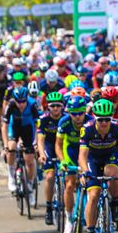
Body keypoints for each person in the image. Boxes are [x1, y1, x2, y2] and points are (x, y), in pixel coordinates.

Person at [78, 99, 118, 233]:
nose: (105, 122)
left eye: (108, 118)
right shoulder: (87, 129)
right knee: (93, 197)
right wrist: (85, 171)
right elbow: (82, 155)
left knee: (113, 173)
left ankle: (114, 202)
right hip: (92, 161)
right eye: (101, 119)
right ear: (95, 118)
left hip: (110, 158)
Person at [57, 96, 94, 233]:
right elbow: (58, 145)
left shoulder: (91, 121)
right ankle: (69, 219)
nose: (77, 116)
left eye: (80, 112)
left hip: (88, 150)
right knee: (70, 184)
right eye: (73, 113)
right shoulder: (64, 122)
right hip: (71, 150)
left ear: (85, 110)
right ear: (68, 112)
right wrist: (62, 161)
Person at [3, 85, 41, 200]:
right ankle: (11, 177)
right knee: (11, 147)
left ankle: (29, 187)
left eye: (23, 101)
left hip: (28, 129)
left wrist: (36, 141)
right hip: (15, 128)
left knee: (29, 161)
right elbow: (4, 126)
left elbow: (37, 125)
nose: (21, 104)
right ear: (14, 100)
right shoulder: (10, 105)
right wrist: (5, 144)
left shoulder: (32, 104)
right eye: (18, 101)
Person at [36, 91, 66, 225]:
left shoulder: (66, 118)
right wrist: (42, 154)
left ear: (62, 106)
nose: (55, 108)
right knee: (49, 177)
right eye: (52, 105)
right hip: (48, 147)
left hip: (62, 147)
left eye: (58, 106)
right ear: (48, 106)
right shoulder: (43, 119)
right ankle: (48, 207)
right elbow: (40, 140)